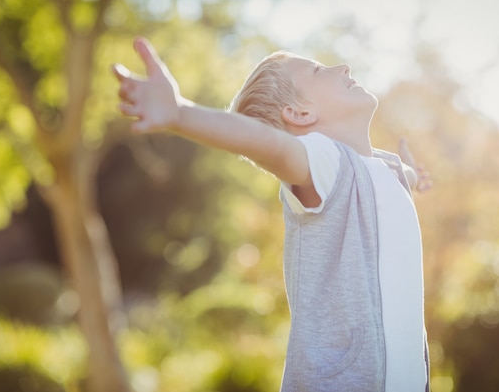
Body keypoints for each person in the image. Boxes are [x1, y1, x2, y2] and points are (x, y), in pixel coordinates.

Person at [113, 37, 432, 392]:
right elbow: (271, 146)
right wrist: (181, 114)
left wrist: (416, 175)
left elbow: (402, 177)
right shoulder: (328, 163)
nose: (342, 67)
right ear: (298, 113)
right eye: (318, 70)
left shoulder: (389, 169)